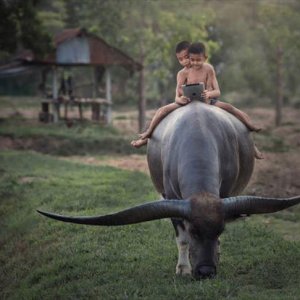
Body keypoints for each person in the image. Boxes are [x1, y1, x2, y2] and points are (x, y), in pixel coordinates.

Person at [132, 42, 263, 159]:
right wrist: (180, 99)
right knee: (161, 111)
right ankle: (147, 135)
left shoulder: (208, 68)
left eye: (187, 57)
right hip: (186, 103)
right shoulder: (182, 73)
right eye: (180, 59)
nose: (185, 61)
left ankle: (251, 137)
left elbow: (217, 91)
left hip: (208, 102)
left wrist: (209, 94)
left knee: (232, 109)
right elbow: (176, 95)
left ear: (197, 56)